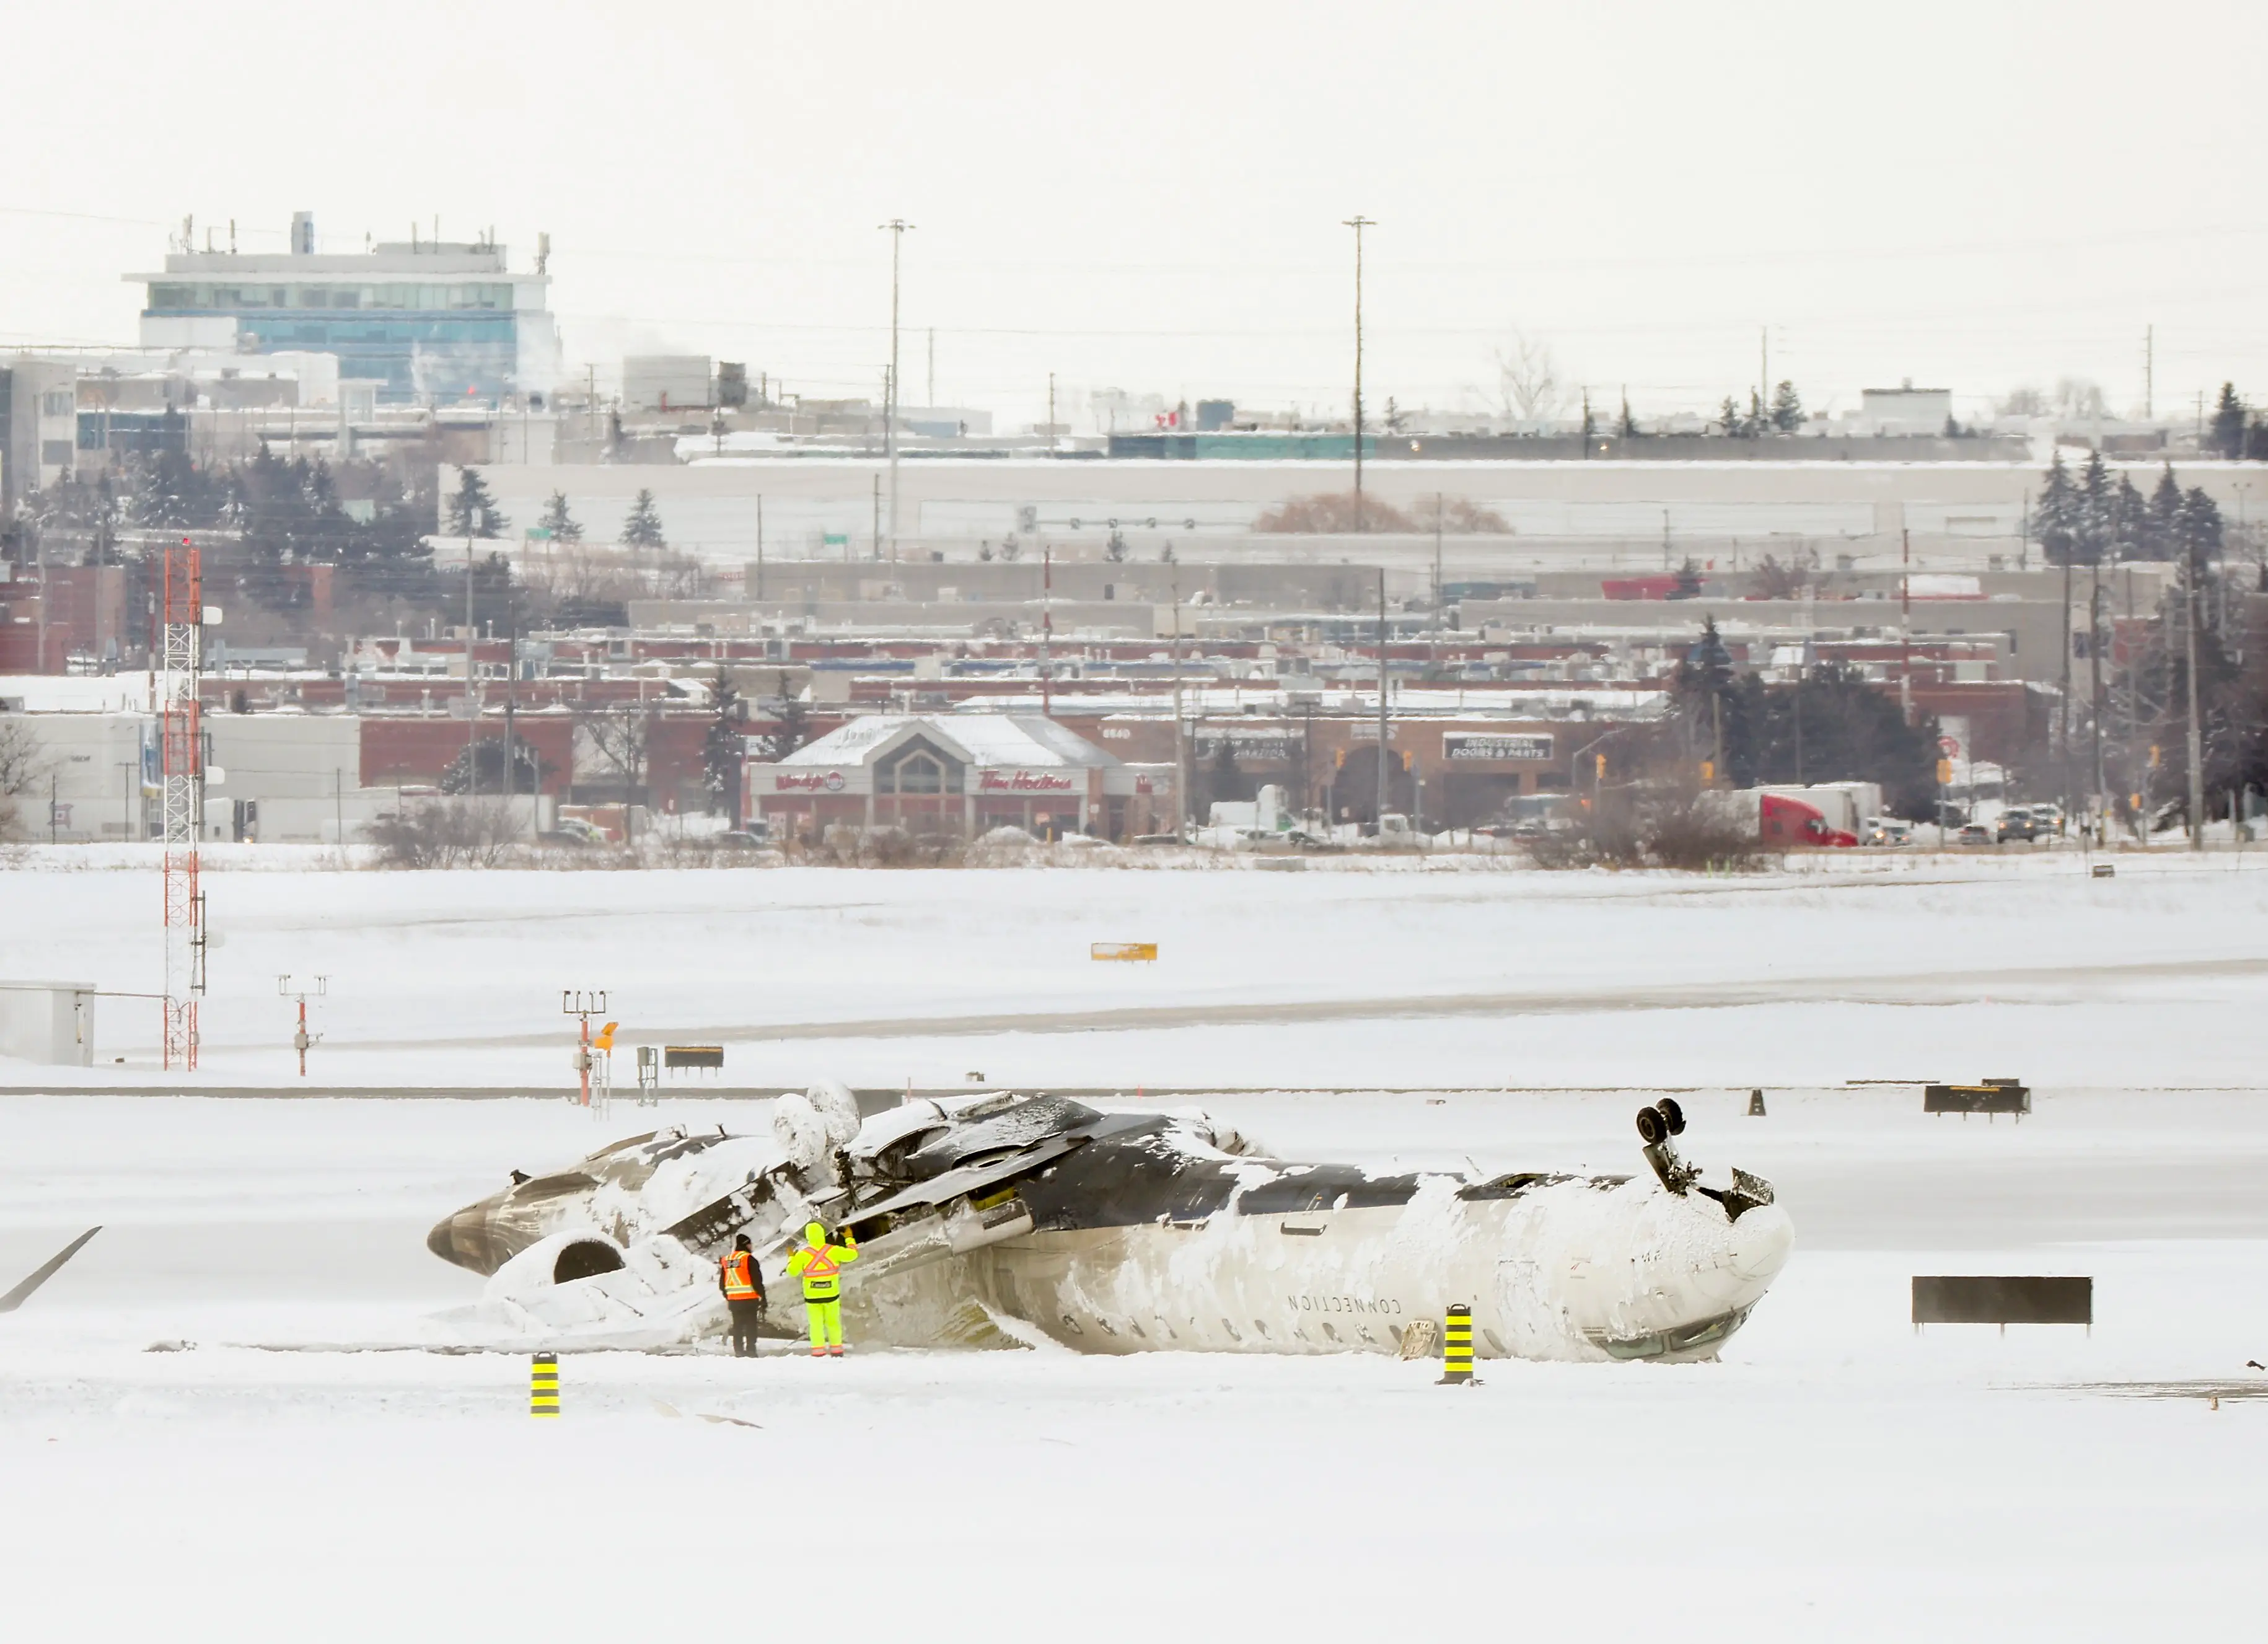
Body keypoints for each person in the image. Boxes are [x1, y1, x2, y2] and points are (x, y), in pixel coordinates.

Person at [786, 1220, 858, 1358]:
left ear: (808, 1237)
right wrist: (849, 1238)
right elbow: (853, 1255)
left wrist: (791, 1257)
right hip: (832, 1294)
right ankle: (837, 1351)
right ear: (822, 1234)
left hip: (813, 1297)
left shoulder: (803, 1255)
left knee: (816, 1325)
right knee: (833, 1323)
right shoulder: (833, 1251)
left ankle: (818, 1352)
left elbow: (791, 1272)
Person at [718, 1233, 767, 1358]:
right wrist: (763, 1297)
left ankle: (738, 1350)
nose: (752, 1246)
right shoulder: (749, 1259)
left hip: (734, 1300)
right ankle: (751, 1350)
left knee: (738, 1325)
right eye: (750, 1244)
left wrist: (728, 1296)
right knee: (751, 1325)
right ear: (747, 1245)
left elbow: (722, 1284)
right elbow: (757, 1281)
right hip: (750, 1299)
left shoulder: (727, 1260)